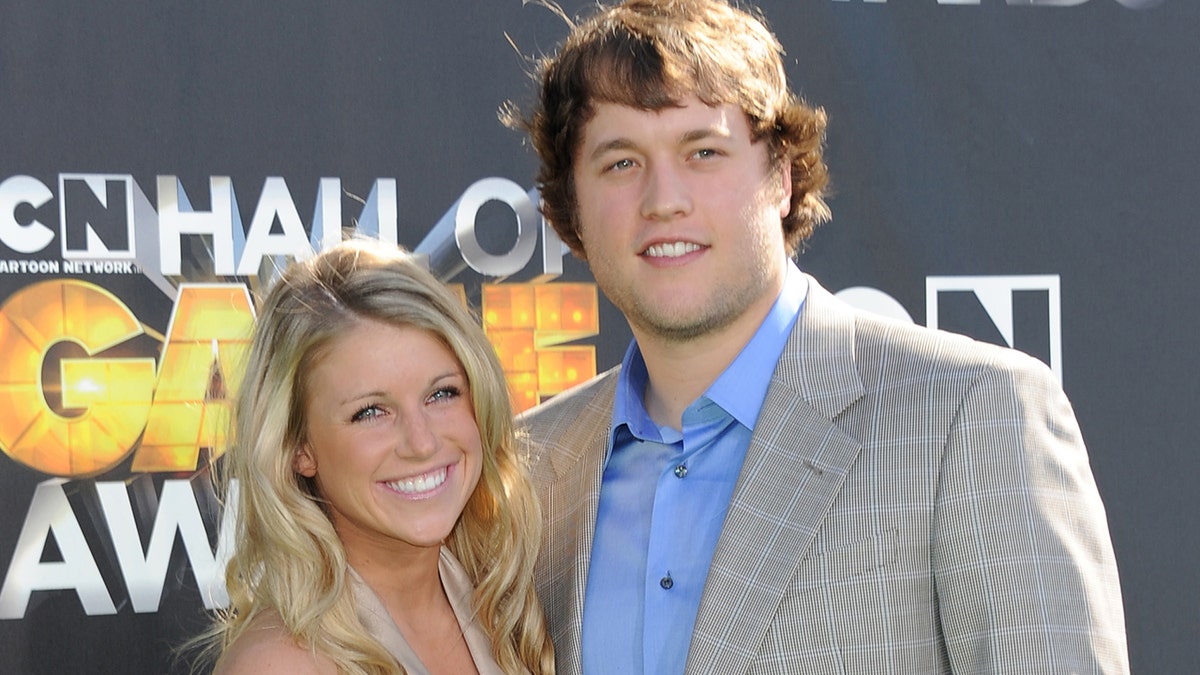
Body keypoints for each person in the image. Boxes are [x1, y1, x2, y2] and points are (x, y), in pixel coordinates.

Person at [508, 0, 1129, 673]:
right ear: (569, 208)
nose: (664, 198)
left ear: (780, 175)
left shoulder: (969, 415)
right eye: (621, 162)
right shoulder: (527, 473)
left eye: (704, 152)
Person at [198, 239, 554, 674]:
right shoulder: (280, 664)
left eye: (441, 393)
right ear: (298, 449)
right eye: (370, 412)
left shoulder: (501, 603)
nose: (421, 442)